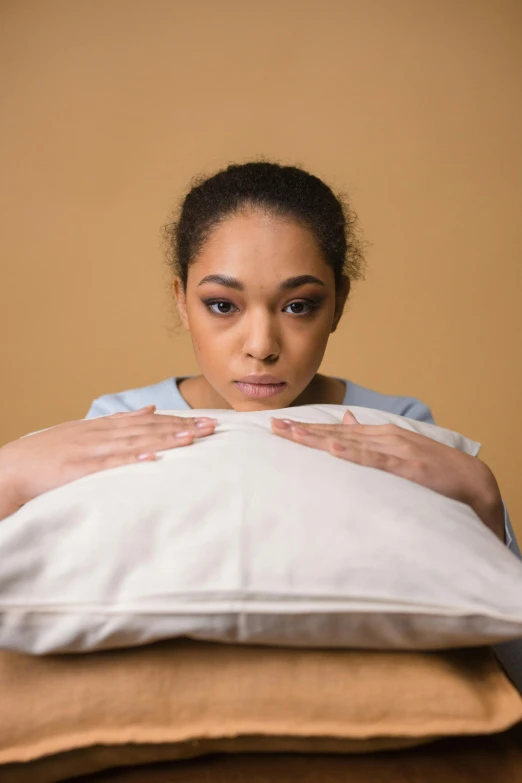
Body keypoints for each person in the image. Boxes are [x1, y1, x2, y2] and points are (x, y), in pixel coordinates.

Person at [0, 160, 520, 688]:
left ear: (337, 303)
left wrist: (483, 495)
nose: (261, 346)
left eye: (299, 306)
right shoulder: (117, 422)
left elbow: (502, 650)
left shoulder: (398, 428)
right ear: (181, 300)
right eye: (222, 304)